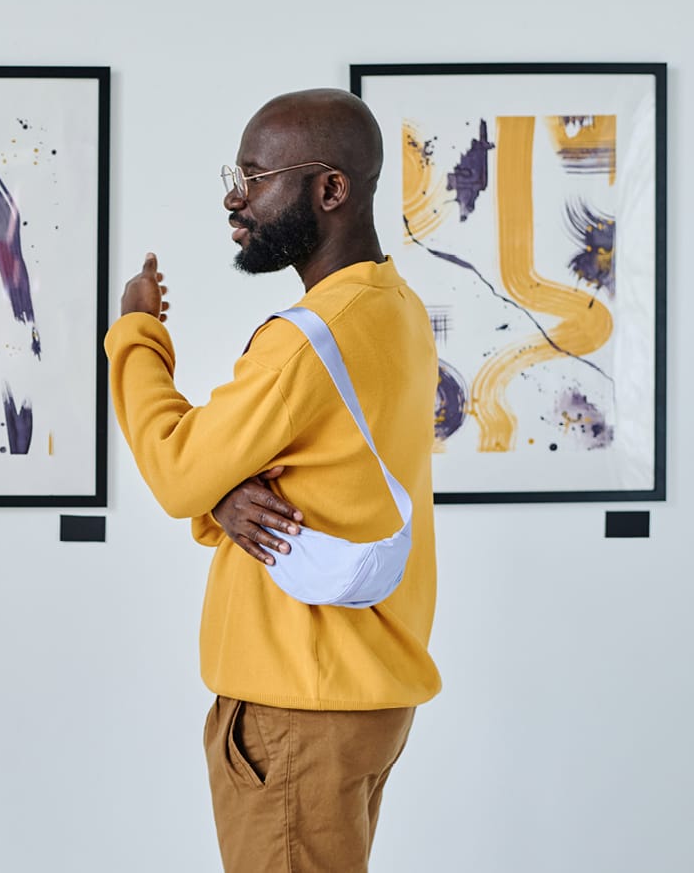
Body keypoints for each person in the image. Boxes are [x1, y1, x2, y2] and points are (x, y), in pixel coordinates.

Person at [104, 89, 441, 871]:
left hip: (298, 706)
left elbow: (179, 470)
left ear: (330, 190)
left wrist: (137, 333)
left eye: (255, 176)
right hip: (363, 695)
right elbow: (286, 477)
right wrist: (222, 497)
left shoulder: (308, 341)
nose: (234, 195)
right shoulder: (397, 309)